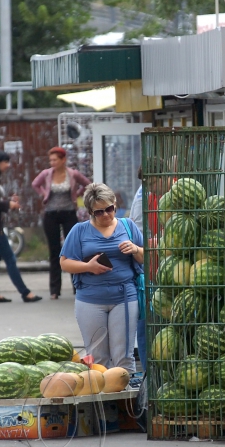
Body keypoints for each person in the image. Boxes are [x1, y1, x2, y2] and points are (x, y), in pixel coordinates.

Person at [59, 183, 144, 372]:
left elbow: (146, 256)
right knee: (98, 358)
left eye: (109, 209)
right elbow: (64, 262)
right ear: (90, 212)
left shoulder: (127, 226)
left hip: (124, 297)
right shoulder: (79, 231)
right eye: (99, 212)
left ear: (115, 204)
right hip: (90, 300)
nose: (106, 215)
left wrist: (135, 249)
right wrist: (88, 266)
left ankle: (126, 399)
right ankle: (104, 401)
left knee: (123, 356)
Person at [0, 151, 42, 304]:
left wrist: (8, 202)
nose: (8, 165)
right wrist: (8, 204)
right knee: (10, 258)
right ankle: (25, 293)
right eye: (5, 162)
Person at [32, 147, 92, 300]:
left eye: (55, 160)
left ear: (63, 160)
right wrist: (44, 194)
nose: (52, 162)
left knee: (72, 250)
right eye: (50, 160)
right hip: (51, 214)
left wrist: (76, 195)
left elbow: (87, 184)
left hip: (69, 214)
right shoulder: (46, 174)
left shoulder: (72, 174)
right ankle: (54, 290)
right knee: (54, 252)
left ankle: (76, 286)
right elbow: (35, 184)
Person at [129, 162, 168, 371]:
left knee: (166, 326)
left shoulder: (177, 197)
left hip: (173, 274)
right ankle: (148, 375)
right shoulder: (149, 198)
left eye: (153, 182)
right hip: (152, 271)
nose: (150, 188)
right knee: (144, 326)